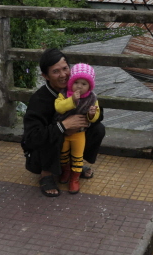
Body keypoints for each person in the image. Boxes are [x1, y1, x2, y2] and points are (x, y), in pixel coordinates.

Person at [21, 49, 106, 197]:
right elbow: (32, 137)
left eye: (65, 68)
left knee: (98, 129)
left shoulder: (78, 87)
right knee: (55, 132)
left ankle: (74, 165)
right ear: (45, 76)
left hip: (73, 139)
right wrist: (63, 126)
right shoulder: (39, 99)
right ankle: (46, 173)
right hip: (39, 152)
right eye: (55, 71)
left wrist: (86, 118)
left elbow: (99, 115)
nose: (63, 75)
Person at [55, 63, 101, 194]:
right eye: (76, 82)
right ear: (71, 82)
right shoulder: (64, 94)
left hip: (79, 133)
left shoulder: (92, 98)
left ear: (90, 86)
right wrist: (71, 100)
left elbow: (95, 117)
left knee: (77, 155)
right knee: (63, 153)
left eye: (84, 84)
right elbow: (59, 107)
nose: (79, 86)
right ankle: (66, 171)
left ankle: (74, 179)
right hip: (64, 131)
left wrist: (91, 114)